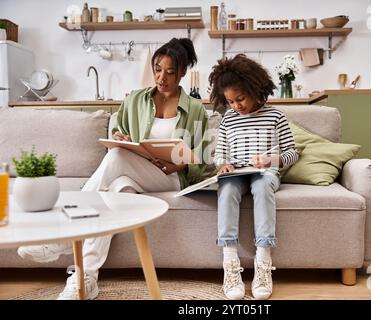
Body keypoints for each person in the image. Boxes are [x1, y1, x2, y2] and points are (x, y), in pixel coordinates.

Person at [17, 38, 210, 300]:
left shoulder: (196, 109)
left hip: (170, 177)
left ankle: (62, 238)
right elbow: (121, 132)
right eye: (157, 69)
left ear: (183, 73)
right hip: (134, 173)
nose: (161, 77)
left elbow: (202, 160)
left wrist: (182, 161)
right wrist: (121, 137)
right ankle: (85, 278)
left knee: (117, 158)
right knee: (119, 190)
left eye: (170, 71)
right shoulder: (135, 100)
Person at [208, 54, 299, 300]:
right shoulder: (228, 118)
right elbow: (220, 153)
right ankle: (230, 263)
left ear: (254, 88)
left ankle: (263, 262)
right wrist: (223, 164)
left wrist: (273, 160)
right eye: (230, 101)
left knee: (263, 187)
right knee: (225, 191)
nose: (236, 105)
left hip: (265, 172)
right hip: (236, 172)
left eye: (240, 98)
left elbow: (292, 153)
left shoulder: (275, 116)